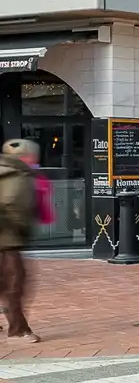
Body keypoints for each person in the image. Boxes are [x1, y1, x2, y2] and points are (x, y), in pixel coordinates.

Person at [0, 139, 45, 342]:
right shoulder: (19, 176)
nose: (35, 160)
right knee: (15, 285)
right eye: (33, 156)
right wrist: (20, 227)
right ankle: (18, 330)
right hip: (8, 241)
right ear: (26, 157)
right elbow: (12, 204)